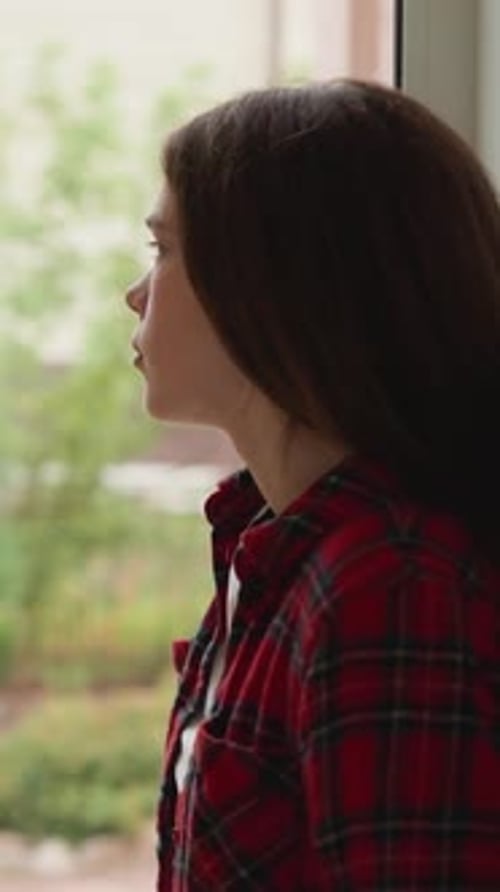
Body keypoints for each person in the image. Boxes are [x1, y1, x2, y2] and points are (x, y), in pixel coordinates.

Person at [125, 79, 500, 891]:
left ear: (269, 284)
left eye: (163, 251)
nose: (136, 294)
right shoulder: (273, 551)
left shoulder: (390, 587)